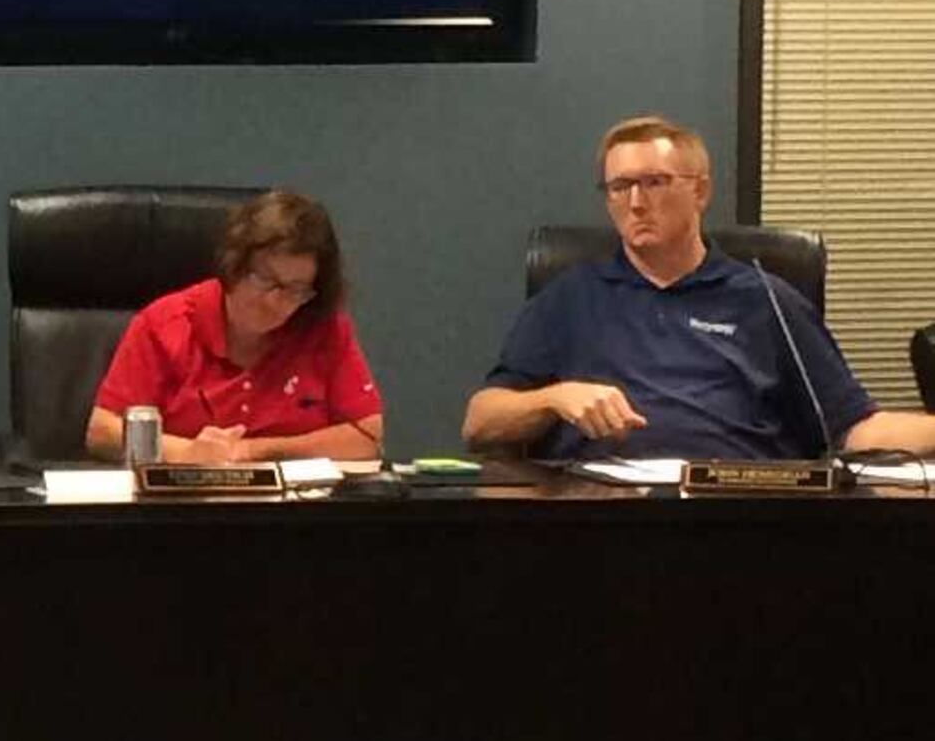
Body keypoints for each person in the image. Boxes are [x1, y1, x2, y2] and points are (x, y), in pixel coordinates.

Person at [463, 114, 935, 461]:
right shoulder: (570, 298)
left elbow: (853, 427)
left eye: (654, 182)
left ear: (701, 192)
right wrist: (554, 397)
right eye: (619, 186)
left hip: (739, 514)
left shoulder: (766, 299)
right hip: (601, 517)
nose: (635, 203)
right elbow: (481, 422)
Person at [86, 190, 386, 463]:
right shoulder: (163, 324)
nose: (274, 302)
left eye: (295, 290)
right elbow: (102, 432)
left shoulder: (323, 328)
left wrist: (254, 451)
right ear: (233, 266)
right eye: (265, 281)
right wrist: (186, 453)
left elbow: (367, 436)